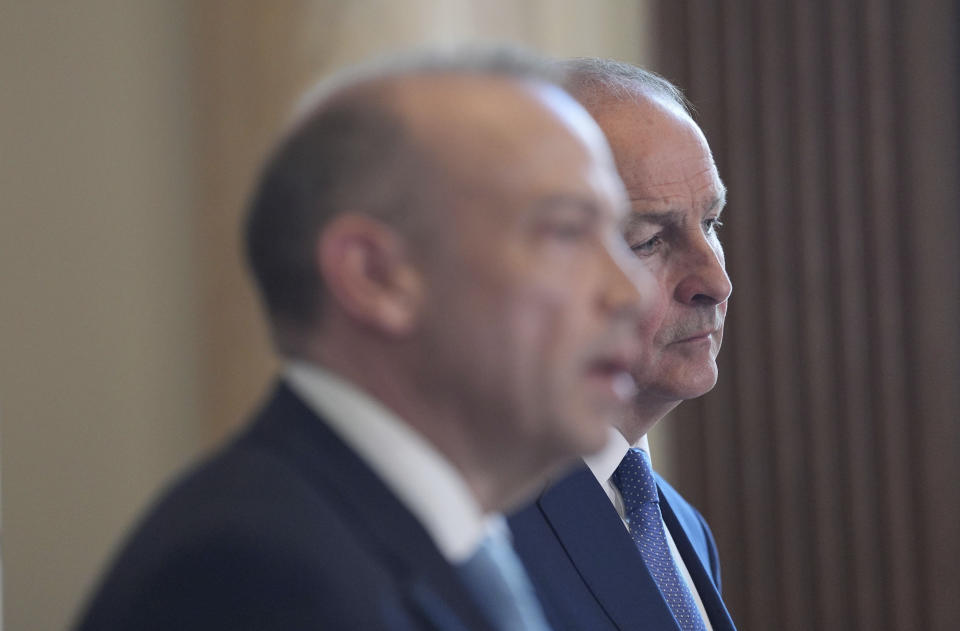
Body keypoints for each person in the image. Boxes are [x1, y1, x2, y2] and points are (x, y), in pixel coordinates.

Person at [72, 49, 658, 631]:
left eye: (617, 234)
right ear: (374, 276)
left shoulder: (448, 534)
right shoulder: (257, 573)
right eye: (565, 231)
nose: (631, 292)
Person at [510, 58, 738, 631]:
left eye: (710, 224)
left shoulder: (679, 525)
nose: (714, 282)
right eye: (648, 240)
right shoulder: (479, 529)